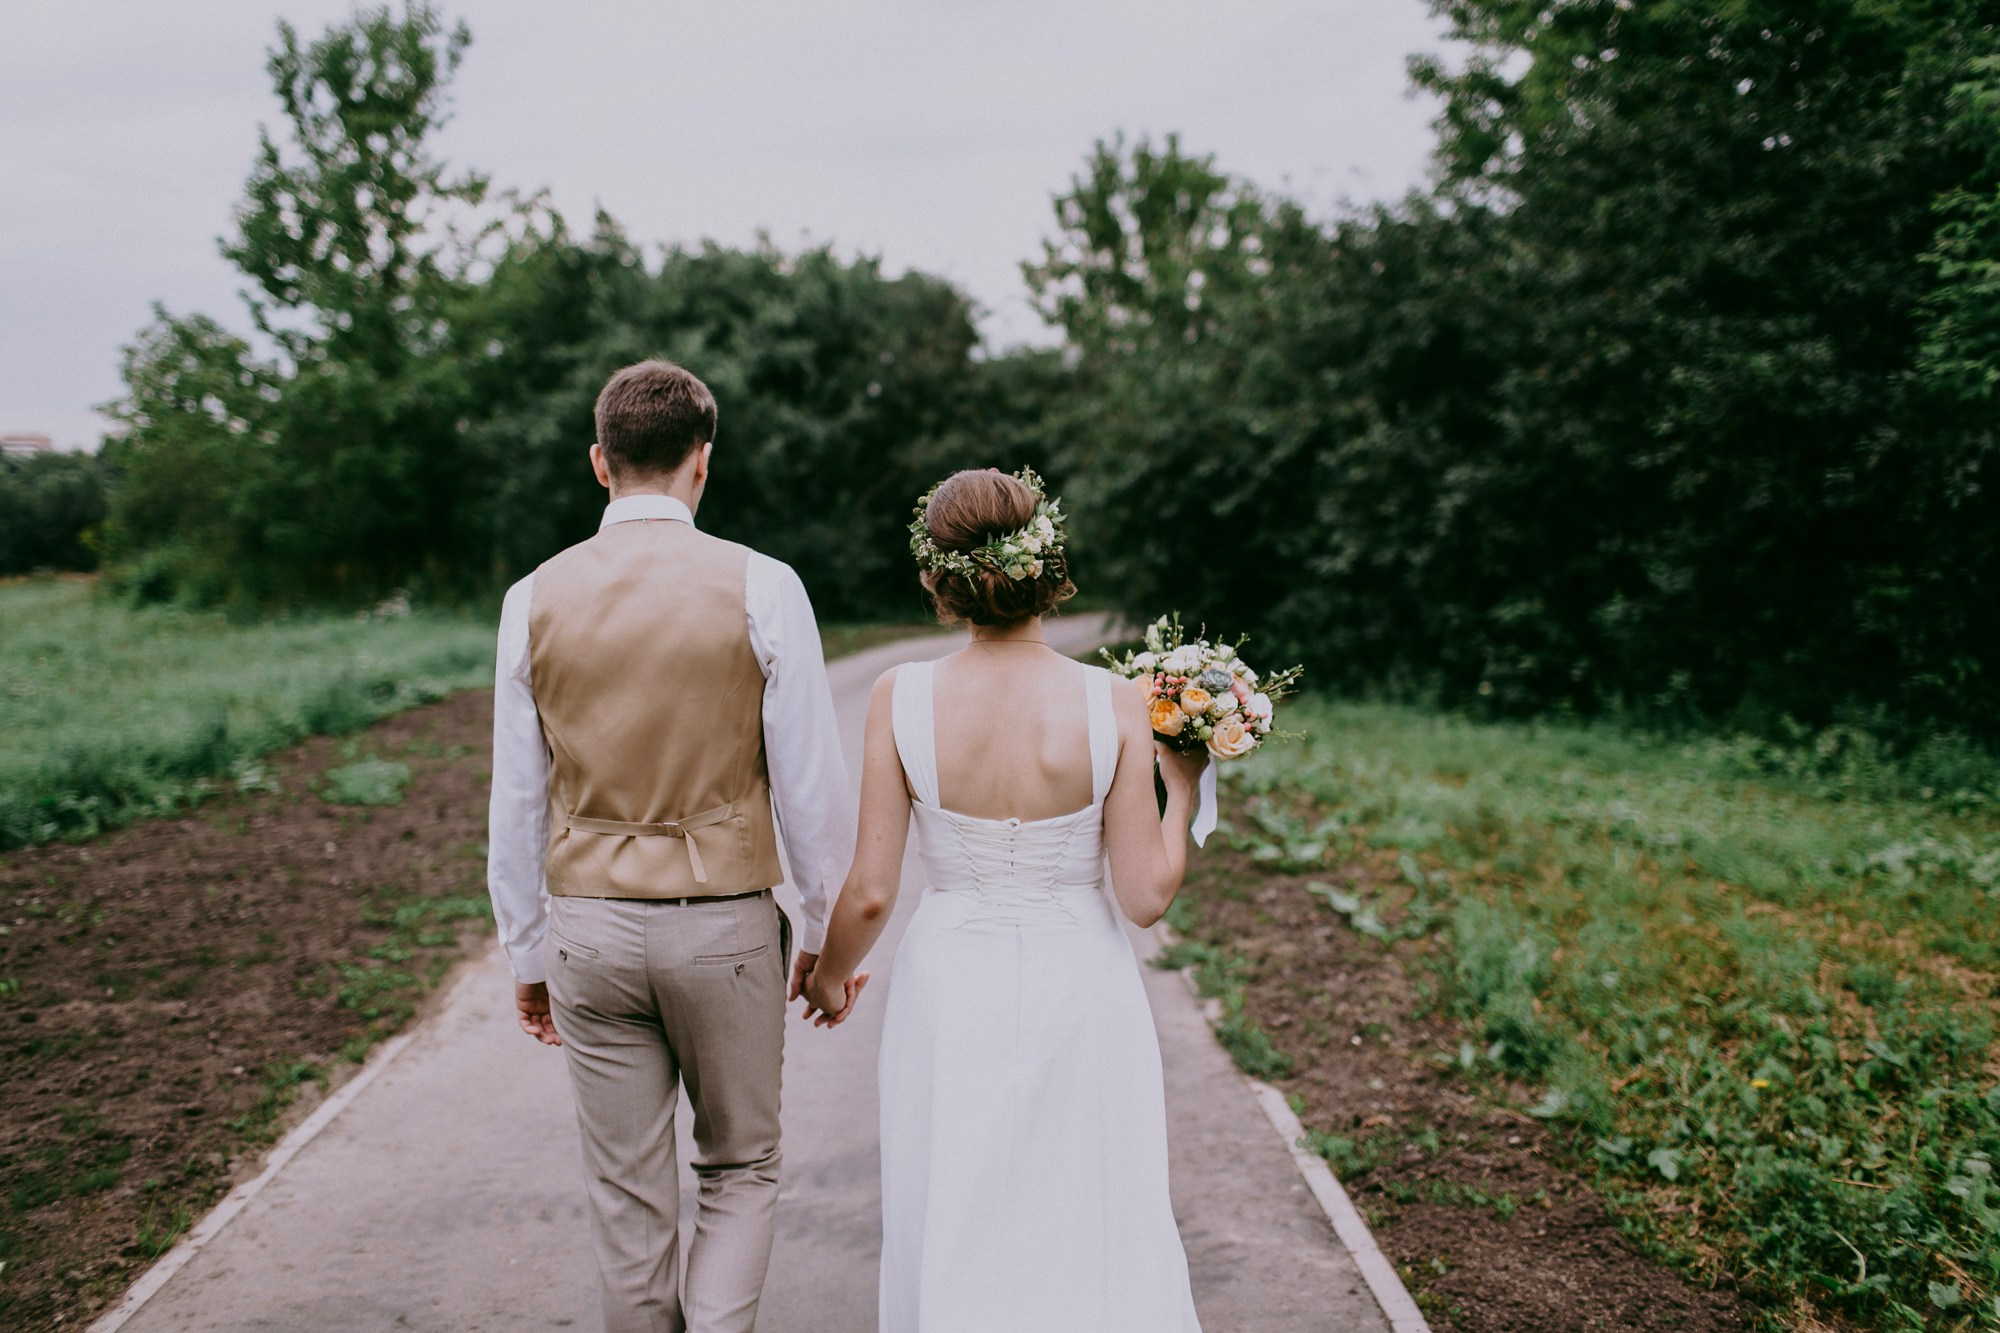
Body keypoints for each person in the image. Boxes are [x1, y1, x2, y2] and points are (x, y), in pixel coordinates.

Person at [484, 359, 855, 1333]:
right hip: (726, 927)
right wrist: (818, 932)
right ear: (703, 461)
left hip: (589, 931)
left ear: (599, 463)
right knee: (739, 1164)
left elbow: (517, 797)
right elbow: (811, 787)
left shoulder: (532, 597)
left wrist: (525, 950)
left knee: (625, 1195)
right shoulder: (762, 587)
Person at [801, 467, 1208, 1332]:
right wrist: (1185, 782)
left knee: (956, 1192)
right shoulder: (1116, 701)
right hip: (1080, 978)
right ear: (1049, 563)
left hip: (951, 978)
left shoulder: (898, 696)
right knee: (1089, 1197)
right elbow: (1144, 897)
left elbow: (873, 891)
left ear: (937, 577)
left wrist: (828, 976)